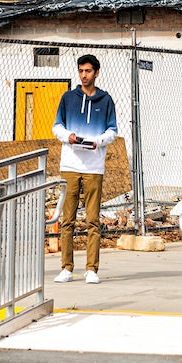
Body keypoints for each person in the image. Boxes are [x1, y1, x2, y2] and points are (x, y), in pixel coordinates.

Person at [53, 53, 118, 285]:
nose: (83, 75)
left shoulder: (106, 100)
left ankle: (92, 269)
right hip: (70, 165)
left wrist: (99, 141)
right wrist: (67, 136)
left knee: (92, 220)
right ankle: (66, 268)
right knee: (67, 218)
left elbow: (112, 131)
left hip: (94, 166)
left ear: (96, 73)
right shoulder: (68, 98)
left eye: (88, 71)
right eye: (81, 71)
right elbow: (56, 126)